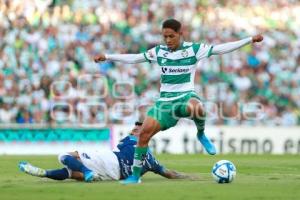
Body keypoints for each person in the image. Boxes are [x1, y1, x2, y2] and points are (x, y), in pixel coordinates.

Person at [94, 19, 263, 184]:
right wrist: (108, 56)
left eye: (171, 36)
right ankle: (135, 177)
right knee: (143, 134)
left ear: (180, 34)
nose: (167, 40)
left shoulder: (194, 49)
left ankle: (201, 134)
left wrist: (249, 40)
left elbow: (220, 49)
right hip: (164, 103)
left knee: (198, 108)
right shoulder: (159, 51)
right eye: (164, 37)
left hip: (185, 97)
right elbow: (135, 58)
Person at [18, 122, 190, 182]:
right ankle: (43, 173)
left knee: (64, 155)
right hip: (114, 175)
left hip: (111, 161)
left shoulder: (130, 139)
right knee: (71, 173)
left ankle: (87, 172)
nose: (134, 131)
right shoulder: (152, 160)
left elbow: (168, 173)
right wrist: (188, 176)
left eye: (136, 130)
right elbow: (168, 173)